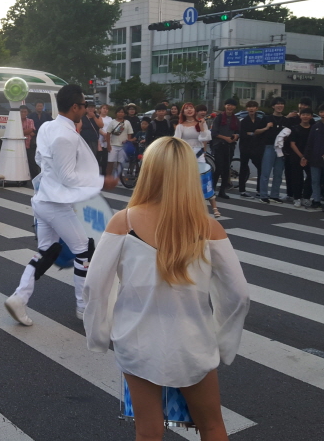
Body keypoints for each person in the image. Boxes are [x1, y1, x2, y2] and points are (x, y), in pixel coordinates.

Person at [82, 136, 249, 441]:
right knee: (212, 425)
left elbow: (94, 287)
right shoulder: (209, 227)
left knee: (148, 430)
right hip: (193, 343)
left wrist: (99, 335)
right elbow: (238, 294)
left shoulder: (123, 222)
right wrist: (222, 342)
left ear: (149, 171)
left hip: (137, 342)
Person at [4, 84, 117, 325]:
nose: (86, 109)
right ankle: (83, 307)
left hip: (44, 199)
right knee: (84, 250)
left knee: (48, 251)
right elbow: (68, 177)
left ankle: (19, 298)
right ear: (75, 107)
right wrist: (100, 182)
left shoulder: (47, 127)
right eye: (84, 105)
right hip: (55, 203)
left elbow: (39, 158)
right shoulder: (65, 135)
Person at [175, 102, 220, 218]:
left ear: (194, 110)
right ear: (183, 112)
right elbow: (177, 141)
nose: (189, 110)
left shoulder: (201, 122)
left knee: (204, 178)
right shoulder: (180, 126)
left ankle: (214, 208)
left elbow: (206, 138)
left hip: (199, 154)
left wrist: (201, 127)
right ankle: (186, 207)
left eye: (191, 108)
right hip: (185, 154)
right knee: (186, 181)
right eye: (186, 108)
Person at [259, 98, 290, 204]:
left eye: (282, 104)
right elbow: (257, 131)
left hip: (281, 149)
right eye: (277, 104)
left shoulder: (286, 120)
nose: (280, 106)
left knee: (278, 173)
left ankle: (274, 195)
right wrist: (266, 128)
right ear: (273, 106)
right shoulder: (266, 118)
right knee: (266, 172)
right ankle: (263, 194)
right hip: (269, 147)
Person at [210, 99, 240, 200]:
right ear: (225, 106)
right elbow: (214, 132)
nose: (230, 107)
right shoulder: (219, 117)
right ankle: (212, 190)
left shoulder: (236, 119)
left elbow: (238, 131)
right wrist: (225, 138)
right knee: (218, 168)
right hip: (219, 145)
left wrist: (236, 135)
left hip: (230, 146)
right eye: (228, 105)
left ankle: (222, 191)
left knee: (226, 169)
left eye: (232, 105)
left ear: (235, 107)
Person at [237, 101, 267, 198]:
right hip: (245, 148)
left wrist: (252, 133)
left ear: (257, 108)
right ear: (247, 109)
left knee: (261, 168)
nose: (251, 108)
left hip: (257, 148)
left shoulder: (260, 120)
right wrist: (254, 133)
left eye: (253, 107)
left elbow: (262, 135)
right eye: (249, 107)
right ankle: (242, 190)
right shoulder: (244, 121)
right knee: (243, 168)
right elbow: (243, 134)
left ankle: (259, 190)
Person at [287, 109, 314, 208]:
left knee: (311, 177)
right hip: (296, 156)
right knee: (296, 178)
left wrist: (306, 157)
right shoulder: (295, 128)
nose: (305, 116)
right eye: (303, 114)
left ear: (311, 116)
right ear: (300, 116)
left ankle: (306, 197)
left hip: (310, 157)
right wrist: (302, 156)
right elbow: (292, 144)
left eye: (308, 114)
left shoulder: (314, 129)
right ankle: (297, 198)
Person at [104, 107, 134, 177]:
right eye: (119, 112)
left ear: (124, 114)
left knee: (120, 163)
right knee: (110, 162)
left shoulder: (127, 122)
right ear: (116, 113)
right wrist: (108, 145)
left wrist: (128, 143)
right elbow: (108, 133)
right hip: (113, 145)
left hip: (123, 146)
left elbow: (129, 133)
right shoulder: (112, 122)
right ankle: (108, 177)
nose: (120, 114)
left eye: (122, 112)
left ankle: (118, 178)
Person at [20, 104, 38, 178]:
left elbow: (31, 130)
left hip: (29, 145)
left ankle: (35, 178)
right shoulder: (15, 121)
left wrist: (21, 132)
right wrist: (27, 132)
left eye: (25, 112)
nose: (23, 113)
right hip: (19, 146)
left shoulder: (30, 121)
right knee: (20, 163)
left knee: (32, 163)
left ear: (27, 113)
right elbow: (15, 131)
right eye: (21, 112)